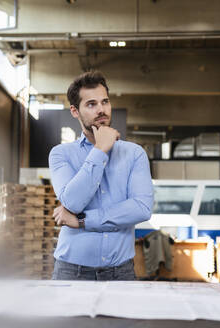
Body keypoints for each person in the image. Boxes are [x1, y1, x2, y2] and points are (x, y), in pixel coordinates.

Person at [48, 71, 154, 280]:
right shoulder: (61, 154)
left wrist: (82, 221)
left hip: (121, 272)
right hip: (72, 272)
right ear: (75, 111)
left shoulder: (134, 153)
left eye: (105, 102)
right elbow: (72, 201)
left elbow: (141, 208)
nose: (101, 110)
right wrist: (100, 150)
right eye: (91, 104)